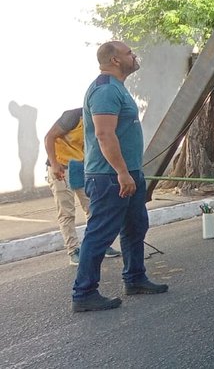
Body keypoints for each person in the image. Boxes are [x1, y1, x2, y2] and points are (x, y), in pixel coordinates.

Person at [72, 41, 167, 313]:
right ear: (114, 60)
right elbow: (104, 134)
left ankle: (135, 278)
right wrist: (122, 173)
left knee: (136, 227)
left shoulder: (117, 88)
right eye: (128, 53)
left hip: (128, 173)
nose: (133, 56)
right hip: (110, 176)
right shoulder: (104, 90)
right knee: (100, 234)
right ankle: (84, 292)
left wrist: (131, 172)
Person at [44, 109, 121, 265]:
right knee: (67, 212)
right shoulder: (72, 117)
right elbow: (49, 137)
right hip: (60, 167)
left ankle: (99, 245)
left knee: (93, 207)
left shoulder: (101, 121)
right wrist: (54, 164)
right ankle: (73, 251)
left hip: (79, 167)